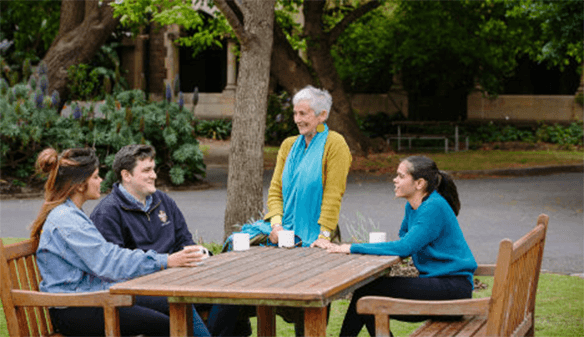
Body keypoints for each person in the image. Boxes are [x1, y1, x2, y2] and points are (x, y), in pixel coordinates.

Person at [31, 147, 210, 337]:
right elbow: (109, 261)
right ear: (80, 185)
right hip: (76, 308)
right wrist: (165, 261)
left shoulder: (72, 213)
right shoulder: (67, 220)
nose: (101, 181)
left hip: (93, 297)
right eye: (96, 177)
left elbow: (106, 258)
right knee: (164, 324)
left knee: (174, 301)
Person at [90, 144, 244, 336]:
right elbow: (115, 267)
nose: (154, 175)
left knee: (232, 292)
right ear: (126, 175)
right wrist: (165, 265)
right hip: (142, 290)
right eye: (146, 170)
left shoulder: (163, 201)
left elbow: (185, 240)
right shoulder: (108, 212)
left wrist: (198, 253)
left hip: (179, 279)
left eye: (153, 169)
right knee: (179, 299)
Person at [328, 155, 478, 336]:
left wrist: (351, 247)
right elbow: (405, 238)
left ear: (419, 183)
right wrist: (410, 241)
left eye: (400, 176)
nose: (394, 180)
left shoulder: (433, 207)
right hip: (439, 285)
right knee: (366, 296)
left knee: (366, 296)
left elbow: (404, 247)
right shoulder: (414, 206)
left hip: (452, 291)